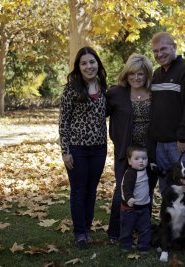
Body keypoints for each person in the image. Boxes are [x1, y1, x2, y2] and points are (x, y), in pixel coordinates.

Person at [149, 31, 185, 246]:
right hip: (161, 144)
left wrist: (183, 136)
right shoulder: (157, 74)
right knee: (167, 192)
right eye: (155, 51)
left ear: (174, 46)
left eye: (163, 49)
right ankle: (173, 237)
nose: (159, 54)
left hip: (180, 144)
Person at [59, 46, 108, 249]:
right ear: (78, 67)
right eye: (84, 63)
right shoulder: (71, 89)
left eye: (92, 61)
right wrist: (65, 151)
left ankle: (87, 228)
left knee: (91, 191)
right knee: (79, 191)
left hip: (99, 149)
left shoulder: (105, 87)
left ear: (98, 63)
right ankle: (80, 233)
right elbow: (64, 121)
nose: (89, 66)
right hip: (77, 149)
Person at [106, 53, 156, 243]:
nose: (136, 78)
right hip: (126, 153)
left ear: (147, 75)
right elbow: (98, 113)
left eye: (141, 74)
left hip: (149, 152)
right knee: (123, 191)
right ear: (126, 75)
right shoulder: (116, 93)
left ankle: (142, 231)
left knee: (146, 192)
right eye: (132, 74)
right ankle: (116, 233)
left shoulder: (154, 93)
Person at [119, 145, 152, 253]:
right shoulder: (130, 174)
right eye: (137, 159)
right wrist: (129, 198)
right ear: (129, 161)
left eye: (144, 158)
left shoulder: (146, 170)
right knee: (127, 227)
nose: (141, 161)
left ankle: (143, 246)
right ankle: (125, 245)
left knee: (145, 227)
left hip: (144, 206)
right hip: (130, 207)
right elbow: (126, 187)